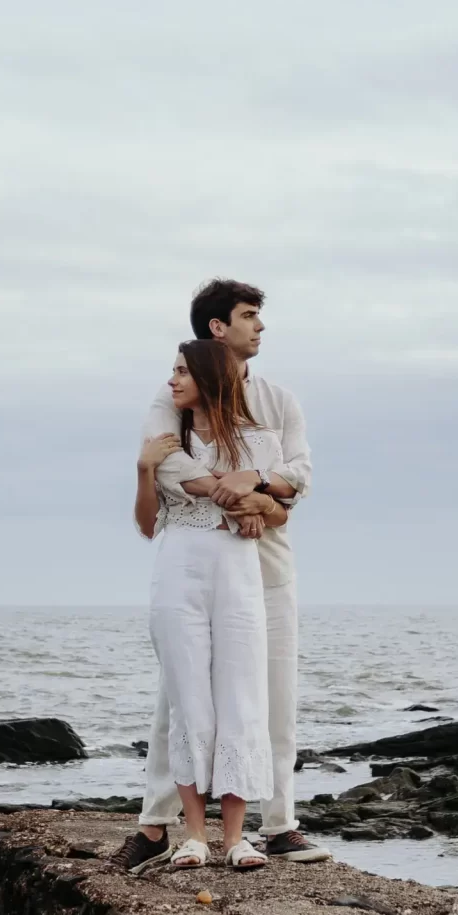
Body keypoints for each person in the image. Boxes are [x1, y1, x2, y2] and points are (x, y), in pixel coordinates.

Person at [121, 278, 329, 871]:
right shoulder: (172, 399)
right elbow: (179, 471)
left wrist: (262, 496)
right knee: (178, 701)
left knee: (273, 697)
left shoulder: (279, 400)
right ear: (219, 327)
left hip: (267, 566)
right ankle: (158, 825)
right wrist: (247, 495)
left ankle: (279, 825)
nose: (259, 327)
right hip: (198, 559)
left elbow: (298, 476)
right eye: (249, 316)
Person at [141, 339, 292, 869]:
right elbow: (204, 487)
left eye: (183, 371)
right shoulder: (166, 443)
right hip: (178, 573)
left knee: (241, 694)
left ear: (209, 378)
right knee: (188, 697)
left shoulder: (259, 442)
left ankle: (235, 839)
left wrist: (260, 499)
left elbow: (280, 513)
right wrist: (248, 494)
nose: (172, 381)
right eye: (172, 371)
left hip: (237, 574)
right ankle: (195, 837)